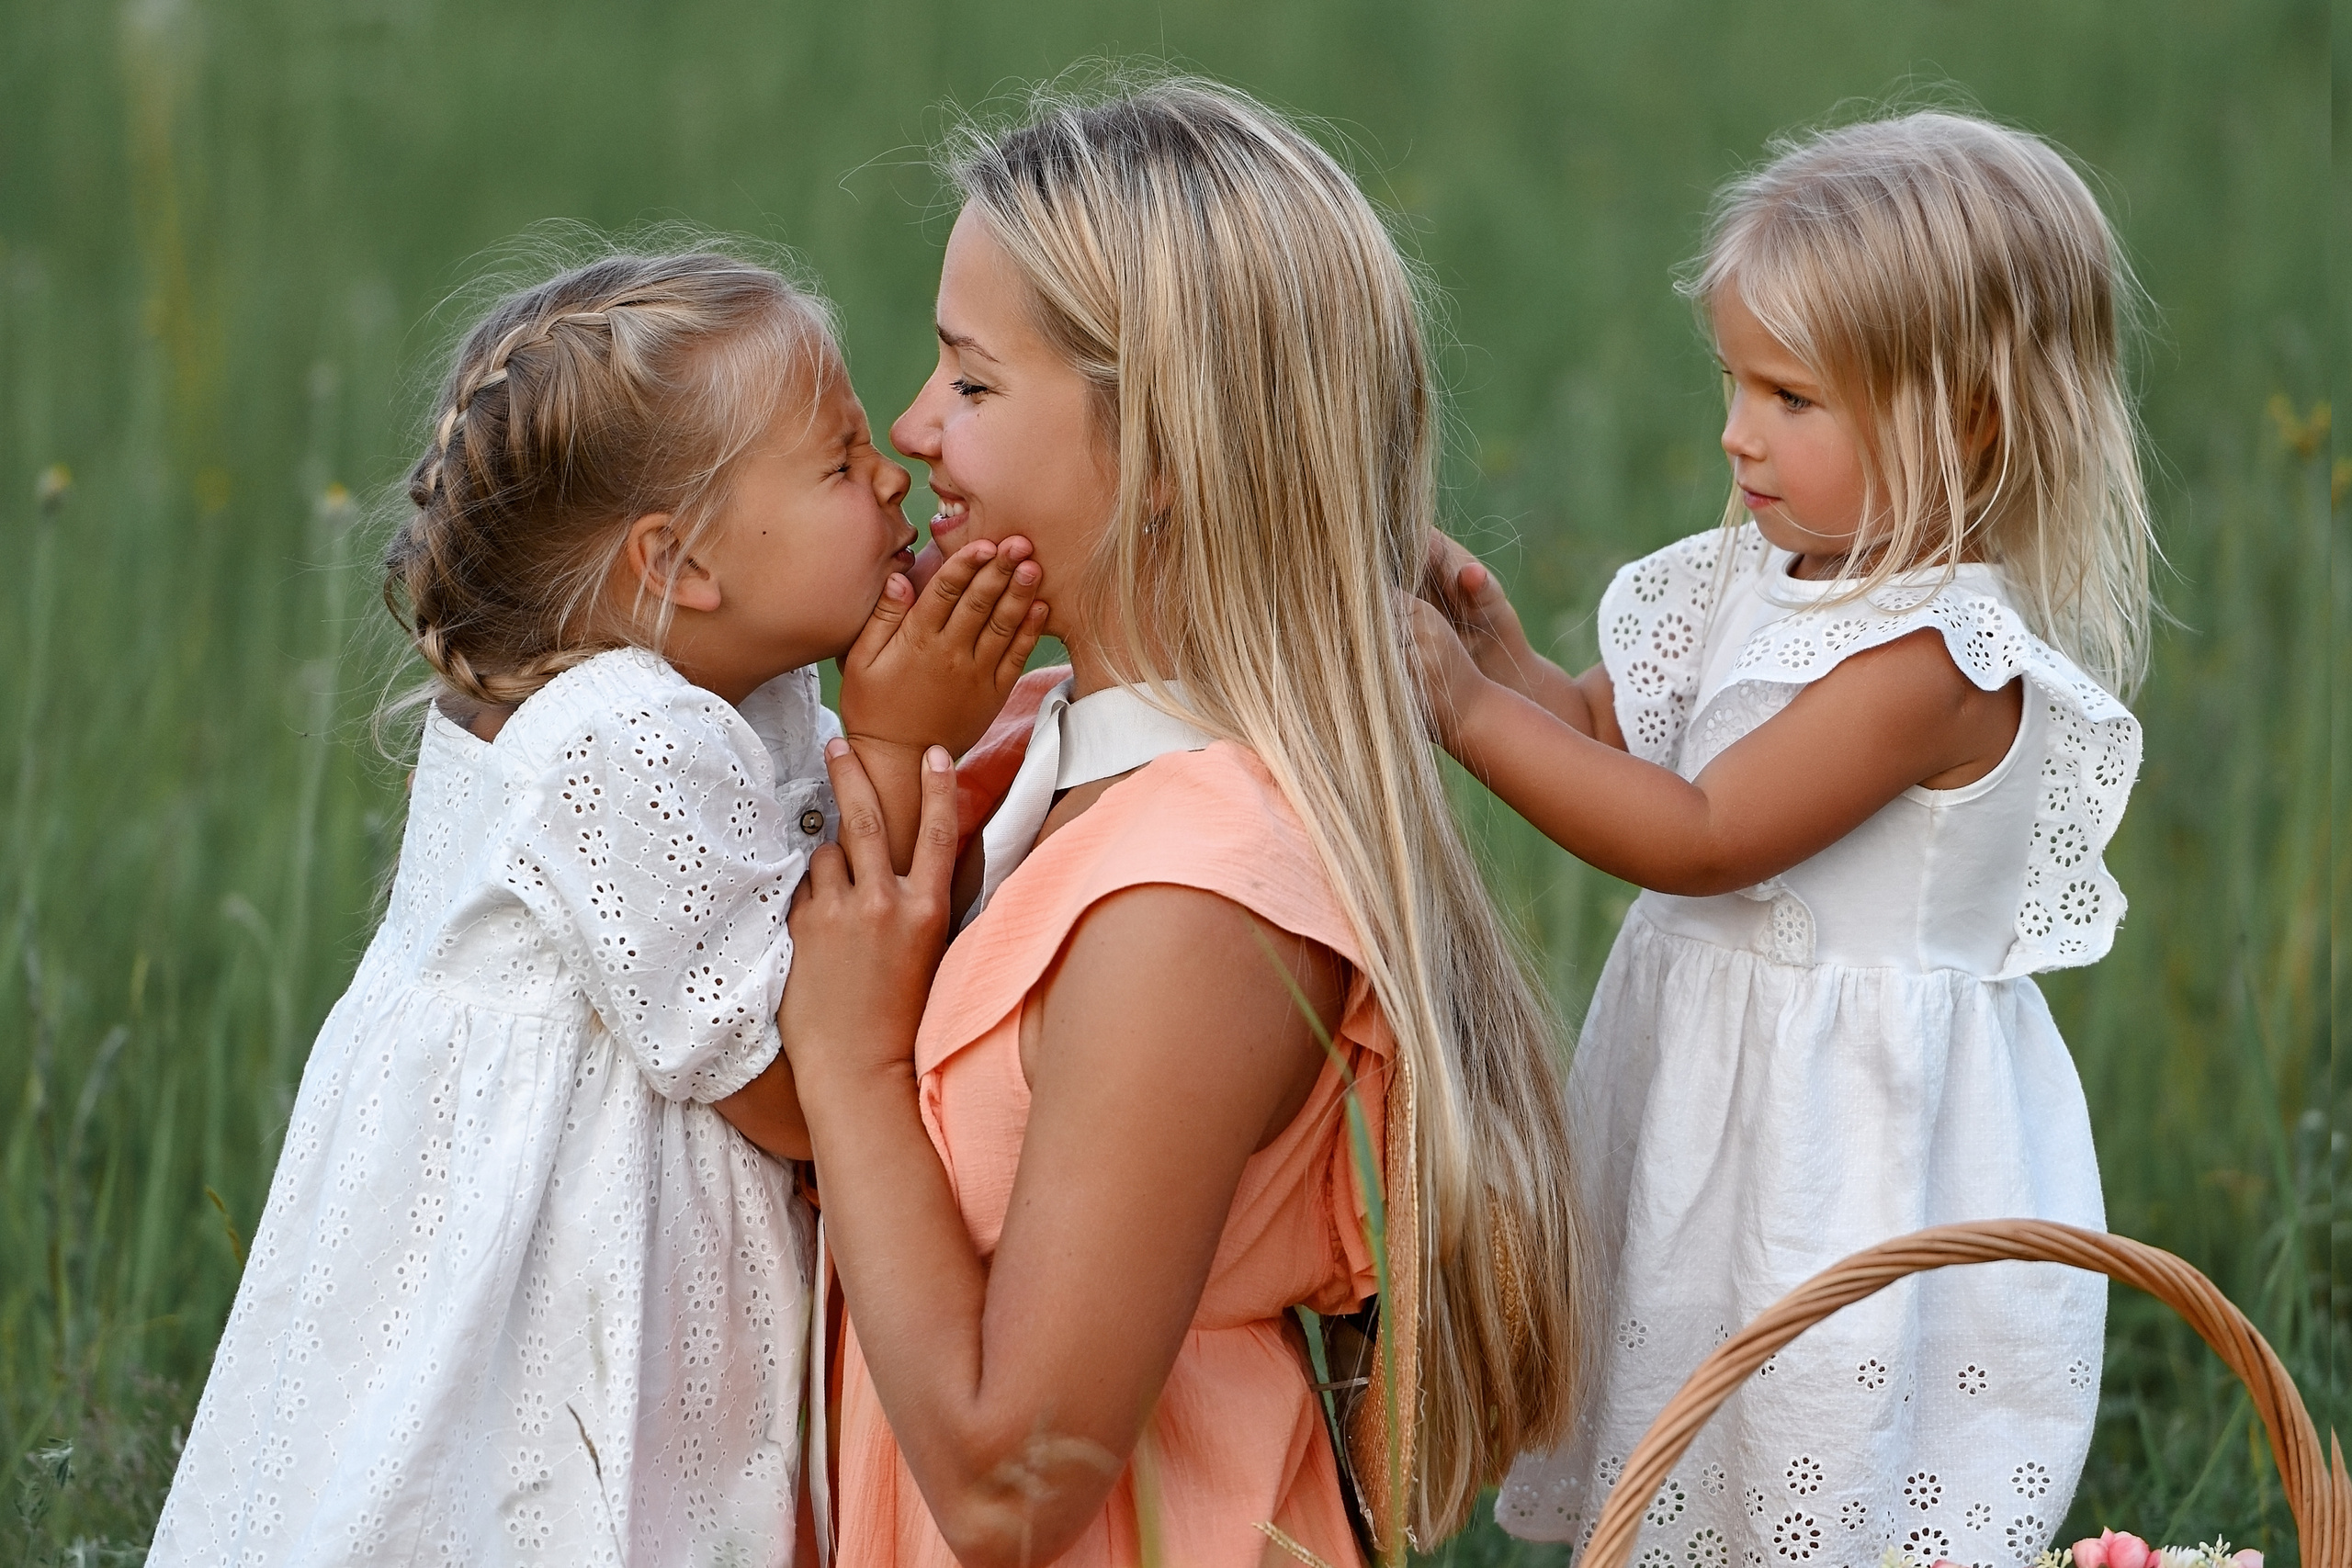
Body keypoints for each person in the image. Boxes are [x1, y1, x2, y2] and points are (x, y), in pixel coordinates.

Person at [775, 80, 1589, 1568]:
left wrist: (852, 1064)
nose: (909, 427)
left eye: (970, 381)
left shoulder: (1193, 903)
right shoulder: (1028, 748)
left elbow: (1013, 1489)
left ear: (1158, 452)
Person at [150, 248, 1046, 1568]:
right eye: (841, 461)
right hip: (574, 1318)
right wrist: (908, 749)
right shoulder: (618, 741)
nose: (894, 476)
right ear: (678, 563)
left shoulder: (735, 690)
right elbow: (799, 1093)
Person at [1409, 113, 2152, 1560]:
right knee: (1689, 1405)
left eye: (1792, 397)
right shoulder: (1763, 576)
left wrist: (1456, 713)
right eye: (1735, 381)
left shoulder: (1933, 662)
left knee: (1819, 1434)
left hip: (1849, 1141)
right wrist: (1495, 656)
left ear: (1970, 421)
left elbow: (1702, 836)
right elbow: (1620, 743)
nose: (1738, 432)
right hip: (1712, 1100)